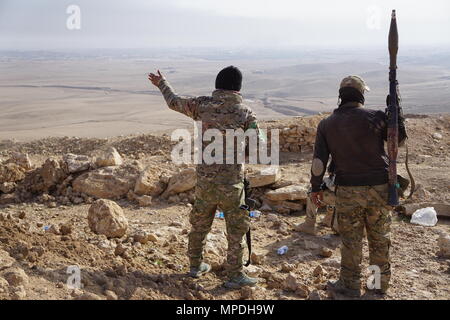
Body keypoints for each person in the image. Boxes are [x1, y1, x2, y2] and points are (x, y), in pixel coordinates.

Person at [148, 66, 261, 289]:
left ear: (217, 86)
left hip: (205, 181)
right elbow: (258, 143)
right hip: (232, 183)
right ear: (238, 89)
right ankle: (235, 274)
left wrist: (162, 83)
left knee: (199, 225)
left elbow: (174, 102)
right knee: (236, 230)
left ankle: (195, 266)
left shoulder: (201, 105)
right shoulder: (245, 113)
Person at [309, 75, 407, 297]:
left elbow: (318, 163)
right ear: (362, 95)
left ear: (340, 97)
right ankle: (377, 284)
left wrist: (315, 189)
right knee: (379, 239)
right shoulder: (376, 117)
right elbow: (398, 141)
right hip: (380, 189)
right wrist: (396, 117)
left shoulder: (326, 124)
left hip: (348, 190)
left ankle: (350, 285)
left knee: (351, 240)